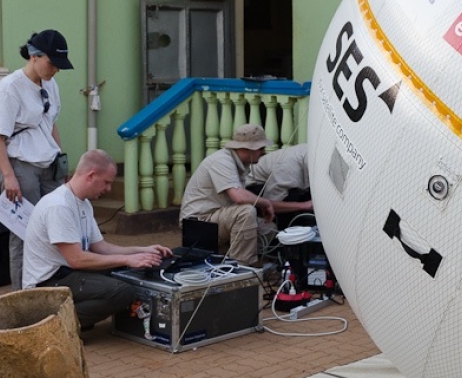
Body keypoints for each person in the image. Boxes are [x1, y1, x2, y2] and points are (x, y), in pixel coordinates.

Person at [22, 149, 171, 331]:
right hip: (47, 283)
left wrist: (141, 251)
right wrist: (127, 259)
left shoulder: (83, 203)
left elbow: (101, 247)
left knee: (125, 271)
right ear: (91, 175)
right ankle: (54, 326)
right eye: (106, 182)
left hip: (67, 274)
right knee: (122, 291)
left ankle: (72, 317)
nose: (108, 189)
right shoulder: (58, 206)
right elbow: (76, 259)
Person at [0, 29, 74, 290]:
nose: (55, 70)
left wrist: (61, 162)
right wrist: (9, 176)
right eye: (52, 63)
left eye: (60, 66)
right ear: (35, 56)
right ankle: (22, 297)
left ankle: (51, 290)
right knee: (24, 235)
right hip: (20, 166)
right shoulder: (9, 88)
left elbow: (51, 124)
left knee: (57, 228)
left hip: (48, 165)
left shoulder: (51, 84)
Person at [180, 123, 277, 265]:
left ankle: (224, 256)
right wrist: (266, 202)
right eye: (261, 148)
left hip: (214, 219)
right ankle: (240, 267)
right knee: (245, 212)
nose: (264, 152)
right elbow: (238, 196)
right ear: (246, 149)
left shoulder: (237, 162)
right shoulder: (221, 160)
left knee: (268, 230)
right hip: (198, 224)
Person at [246, 143, 313, 230]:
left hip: (277, 183)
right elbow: (269, 205)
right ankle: (283, 233)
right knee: (292, 194)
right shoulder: (289, 169)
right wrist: (304, 205)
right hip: (252, 189)